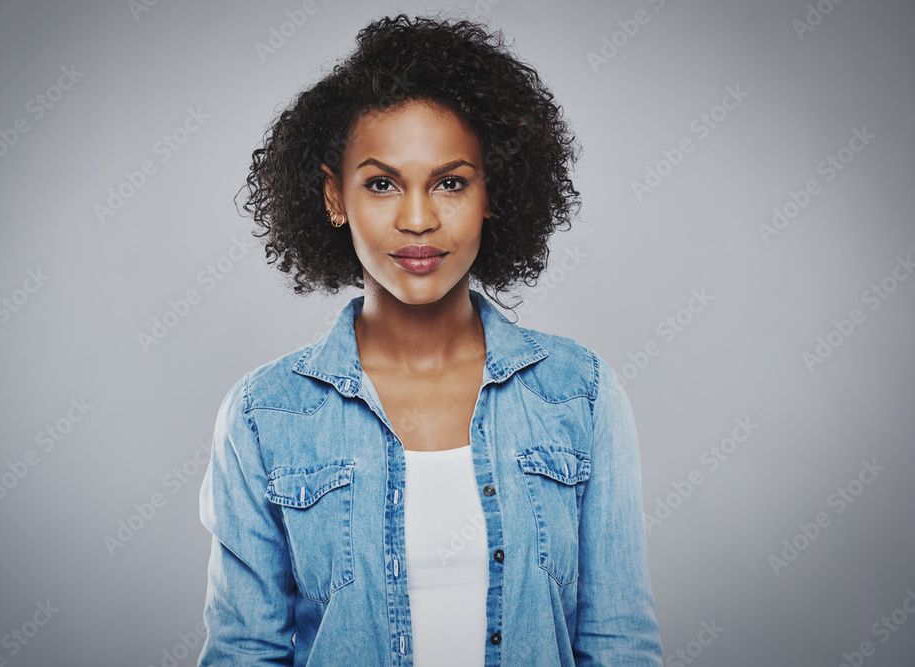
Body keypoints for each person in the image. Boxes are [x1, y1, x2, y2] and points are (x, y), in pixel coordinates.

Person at [198, 12, 663, 666]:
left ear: (490, 192)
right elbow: (244, 654)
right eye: (382, 183)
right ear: (335, 195)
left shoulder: (580, 395)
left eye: (450, 182)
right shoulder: (262, 416)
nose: (418, 219)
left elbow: (619, 647)